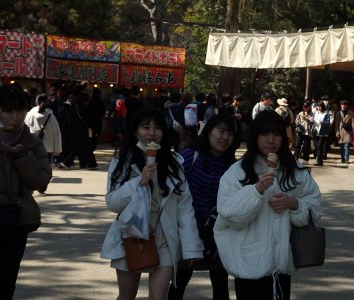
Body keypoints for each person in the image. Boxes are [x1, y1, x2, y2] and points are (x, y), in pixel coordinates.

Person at [213, 110, 322, 300]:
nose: (271, 140)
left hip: (281, 267)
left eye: (276, 134)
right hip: (248, 264)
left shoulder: (295, 171)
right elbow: (229, 215)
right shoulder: (237, 172)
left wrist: (293, 204)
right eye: (264, 134)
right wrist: (256, 191)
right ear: (255, 137)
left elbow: (315, 207)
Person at [101, 109, 203, 300]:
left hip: (164, 236)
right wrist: (139, 181)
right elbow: (113, 203)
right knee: (127, 295)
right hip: (130, 236)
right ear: (135, 131)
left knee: (158, 296)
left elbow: (185, 208)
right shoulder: (122, 160)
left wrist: (191, 247)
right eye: (145, 127)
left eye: (157, 128)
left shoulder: (174, 164)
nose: (151, 133)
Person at [0, 84, 52, 299]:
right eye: (8, 110)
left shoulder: (30, 141)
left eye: (20, 110)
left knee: (7, 281)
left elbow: (40, 180)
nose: (15, 116)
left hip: (15, 219)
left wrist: (21, 156)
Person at [168, 115, 238, 300]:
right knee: (180, 280)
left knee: (221, 283)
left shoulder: (233, 164)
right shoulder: (190, 155)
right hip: (188, 230)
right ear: (209, 132)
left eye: (230, 134)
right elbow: (168, 183)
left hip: (218, 232)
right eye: (221, 132)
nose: (225, 137)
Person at [335, 100, 354, 164]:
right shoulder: (338, 113)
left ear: (347, 105)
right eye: (342, 105)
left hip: (348, 131)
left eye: (344, 105)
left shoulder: (351, 113)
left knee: (347, 145)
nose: (343, 106)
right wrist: (337, 131)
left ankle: (346, 159)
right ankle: (342, 158)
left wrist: (353, 131)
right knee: (342, 146)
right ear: (340, 106)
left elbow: (352, 122)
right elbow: (337, 123)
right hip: (341, 131)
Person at [312, 102, 331, 166]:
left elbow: (328, 123)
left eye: (320, 106)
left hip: (322, 132)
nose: (319, 108)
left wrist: (322, 122)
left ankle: (319, 162)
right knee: (316, 147)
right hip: (315, 131)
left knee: (319, 147)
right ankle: (318, 159)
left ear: (323, 107)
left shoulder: (326, 114)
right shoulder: (315, 113)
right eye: (318, 106)